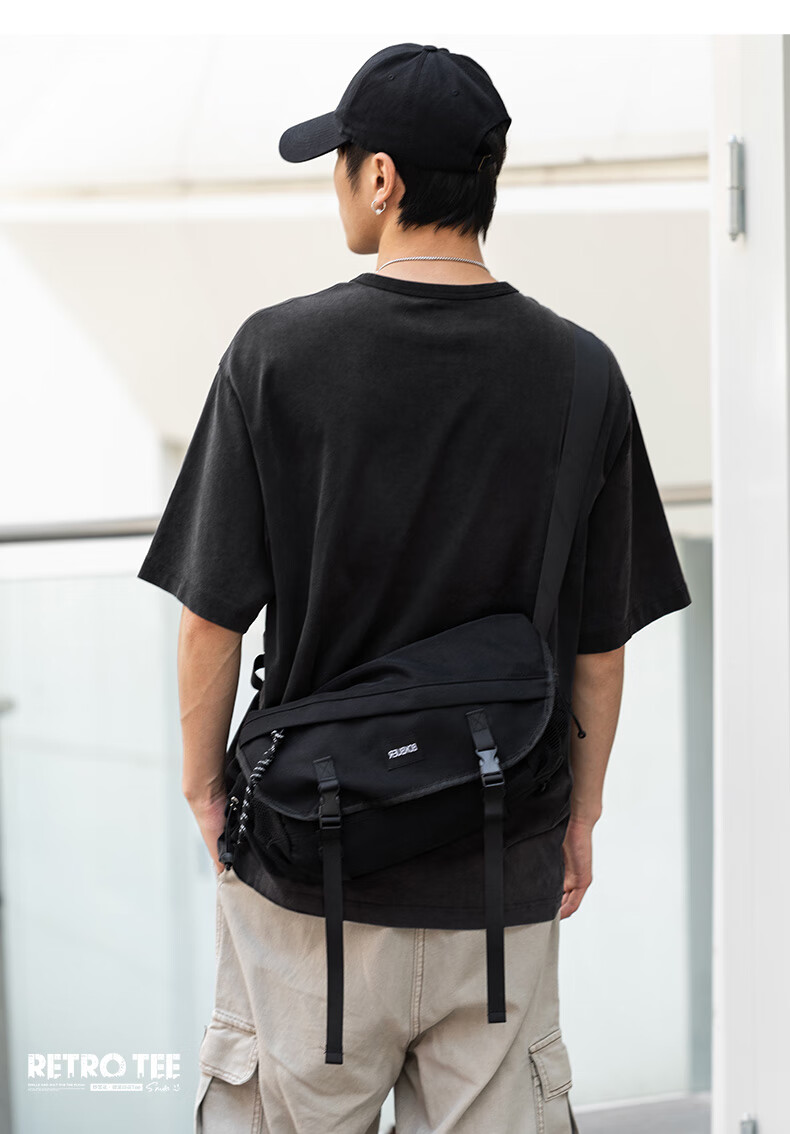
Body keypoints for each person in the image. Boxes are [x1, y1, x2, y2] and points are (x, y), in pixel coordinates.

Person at [137, 42, 692, 1134]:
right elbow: (599, 645)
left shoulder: (276, 355)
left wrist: (206, 792)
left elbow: (211, 620)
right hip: (500, 861)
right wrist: (579, 817)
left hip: (310, 869)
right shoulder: (582, 371)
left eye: (341, 161)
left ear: (382, 177)